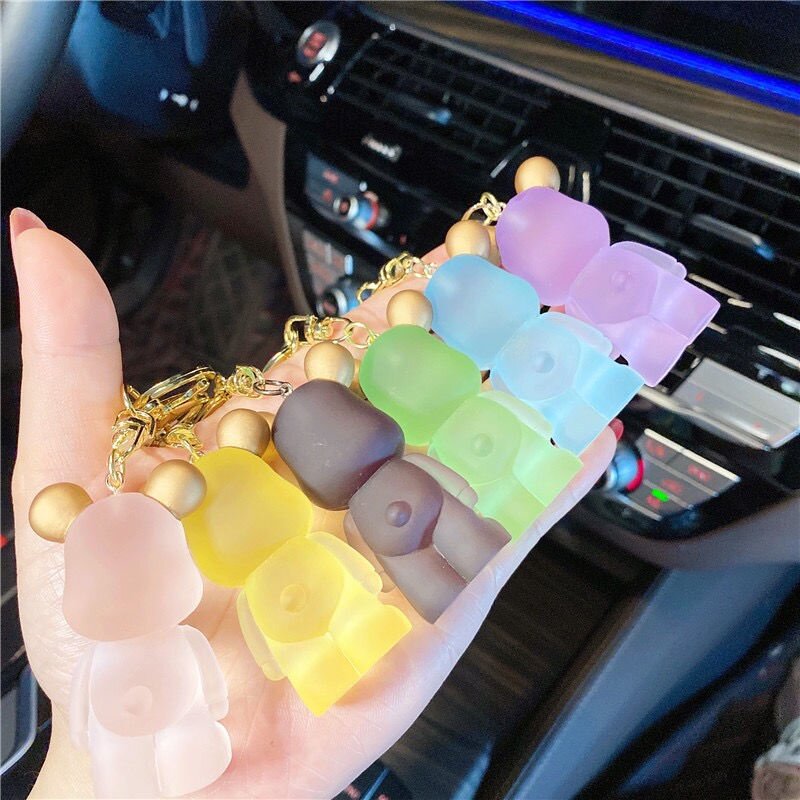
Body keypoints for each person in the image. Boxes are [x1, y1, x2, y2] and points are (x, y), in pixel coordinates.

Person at [9, 207, 617, 799]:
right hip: (305, 590)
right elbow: (227, 663)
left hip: (362, 537)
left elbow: (362, 556)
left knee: (437, 551)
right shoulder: (164, 611)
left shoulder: (332, 495)